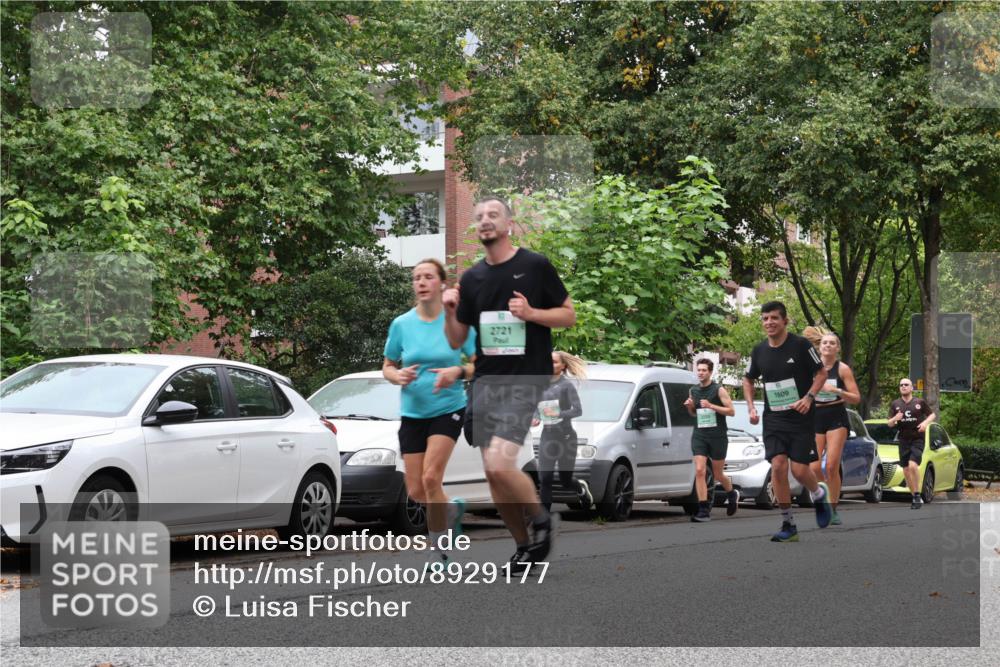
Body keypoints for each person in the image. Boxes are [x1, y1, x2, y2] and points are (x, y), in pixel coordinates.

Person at [443, 196, 576, 573]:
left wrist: (531, 313)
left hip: (527, 376)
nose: (485, 220)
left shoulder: (534, 266)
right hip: (486, 382)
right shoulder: (471, 278)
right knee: (492, 471)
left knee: (501, 462)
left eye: (493, 215)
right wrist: (451, 311)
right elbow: (456, 340)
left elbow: (569, 316)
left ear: (509, 224)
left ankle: (542, 521)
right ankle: (523, 546)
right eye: (479, 215)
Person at [383, 258, 476, 571]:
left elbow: (481, 363)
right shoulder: (401, 324)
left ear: (442, 284)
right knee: (417, 491)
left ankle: (437, 551)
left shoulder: (458, 321)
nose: (420, 282)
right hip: (412, 413)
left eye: (427, 277)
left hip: (447, 409)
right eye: (416, 278)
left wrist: (457, 370)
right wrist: (397, 377)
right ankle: (450, 510)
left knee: (431, 477)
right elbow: (387, 365)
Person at [742, 301, 833, 543]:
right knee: (779, 465)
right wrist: (751, 406)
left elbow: (822, 372)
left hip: (801, 417)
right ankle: (788, 523)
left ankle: (817, 493)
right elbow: (748, 379)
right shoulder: (759, 351)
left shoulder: (801, 346)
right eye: (764, 318)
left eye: (773, 318)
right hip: (774, 418)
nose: (769, 322)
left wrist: (809, 397)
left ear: (784, 321)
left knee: (800, 470)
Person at [802, 327, 861, 526]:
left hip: (836, 416)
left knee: (832, 465)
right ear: (819, 347)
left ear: (837, 349)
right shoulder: (810, 367)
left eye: (832, 343)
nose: (828, 345)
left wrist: (836, 389)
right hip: (815, 416)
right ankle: (824, 497)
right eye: (825, 343)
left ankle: (833, 509)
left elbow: (856, 398)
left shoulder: (842, 369)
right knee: (814, 466)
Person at [533, 351, 593, 513]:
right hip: (547, 436)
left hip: (566, 437)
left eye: (554, 362)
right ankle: (543, 517)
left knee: (565, 480)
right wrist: (536, 417)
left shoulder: (567, 385)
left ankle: (579, 488)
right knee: (545, 478)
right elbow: (536, 406)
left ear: (563, 366)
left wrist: (558, 414)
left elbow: (578, 410)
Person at [683, 358, 738, 522]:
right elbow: (694, 414)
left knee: (718, 474)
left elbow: (731, 411)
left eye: (704, 370)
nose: (700, 373)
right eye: (698, 370)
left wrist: (711, 406)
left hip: (717, 436)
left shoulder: (718, 390)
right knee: (700, 470)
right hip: (700, 434)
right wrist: (689, 407)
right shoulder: (693, 390)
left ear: (710, 372)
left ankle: (731, 493)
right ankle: (703, 509)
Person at [888, 378, 936, 509]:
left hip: (918, 438)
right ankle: (915, 495)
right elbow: (889, 423)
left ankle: (917, 494)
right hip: (903, 439)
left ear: (911, 388)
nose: (903, 386)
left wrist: (925, 423)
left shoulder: (919, 402)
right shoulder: (895, 404)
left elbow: (932, 415)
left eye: (906, 385)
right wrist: (895, 418)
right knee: (906, 469)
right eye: (901, 385)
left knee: (913, 465)